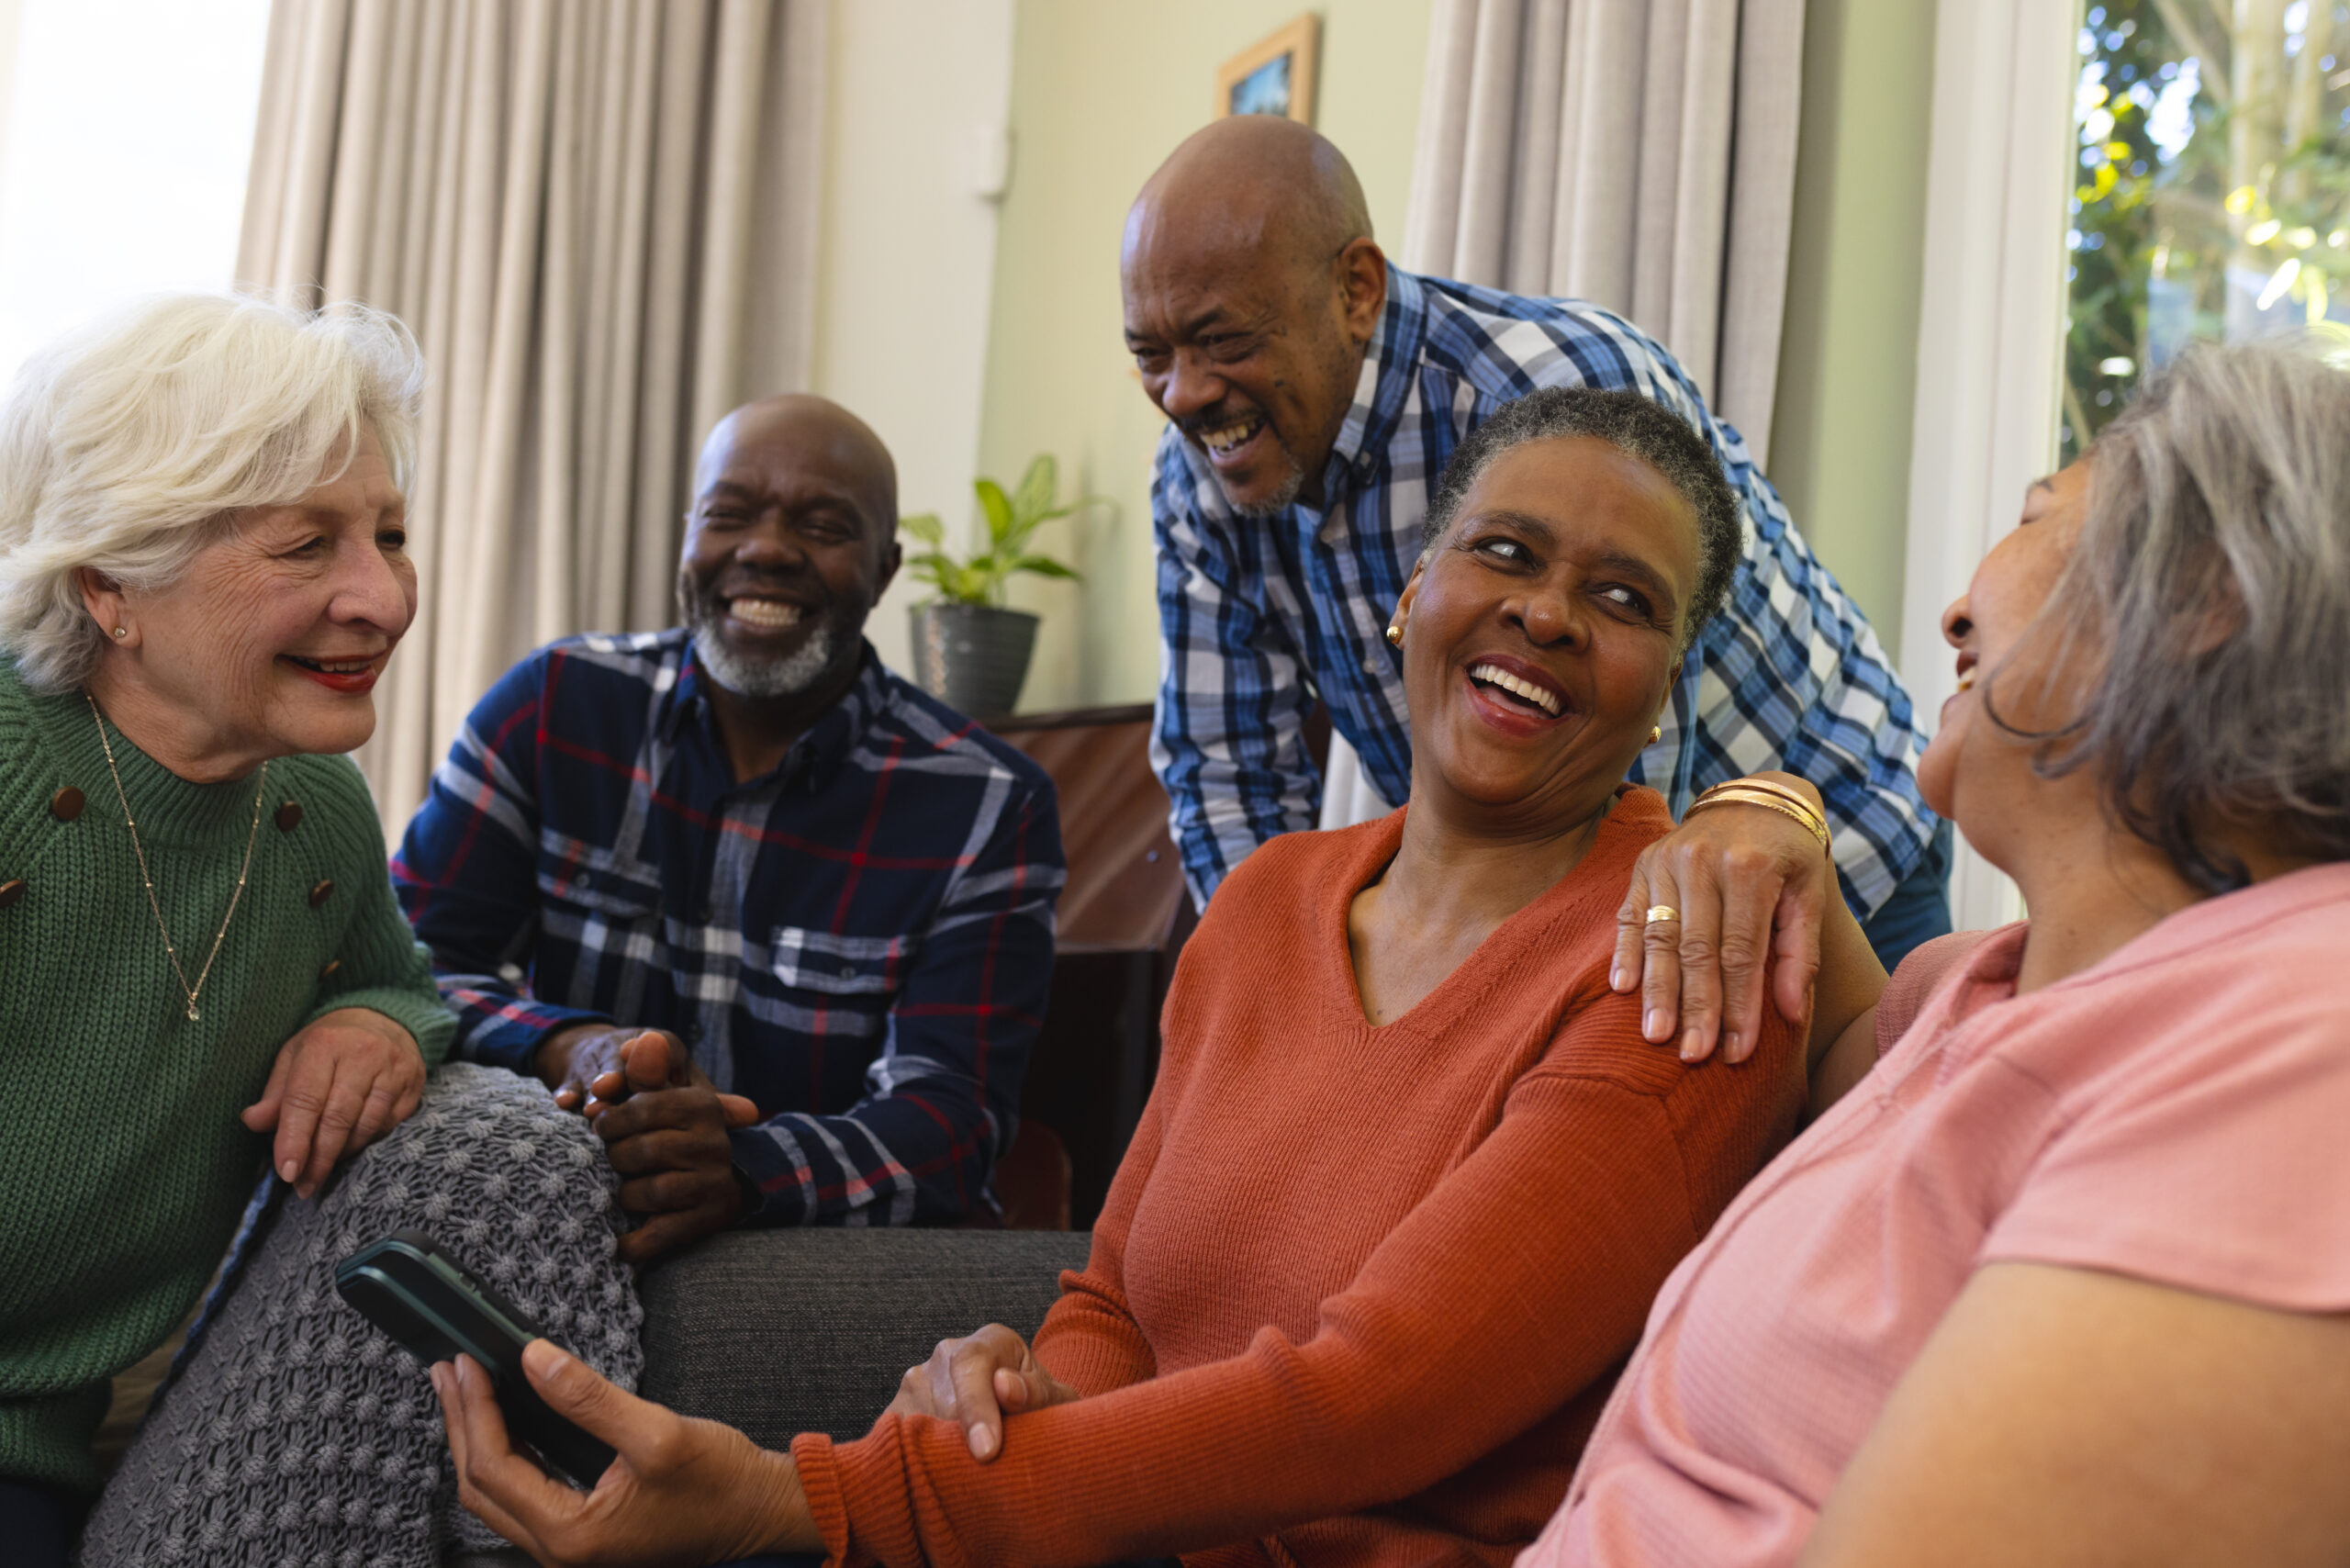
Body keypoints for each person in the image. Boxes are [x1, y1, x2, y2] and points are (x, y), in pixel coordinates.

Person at [431, 386, 1812, 1568]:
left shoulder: (1688, 959)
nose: (1549, 613)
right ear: (1410, 598)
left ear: (1670, 682)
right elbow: (1114, 1307)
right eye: (1504, 552)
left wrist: (799, 1499)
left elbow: (1369, 1405)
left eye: (1622, 598)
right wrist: (1028, 1392)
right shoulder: (1270, 902)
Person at [1519, 340, 2350, 1564]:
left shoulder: (2295, 1042)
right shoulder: (1998, 983)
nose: (1959, 608)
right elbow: (1855, 1048)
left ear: (2201, 596)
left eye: (2037, 522)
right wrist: (1774, 804)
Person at [1133, 115, 1949, 996]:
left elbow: (1628, 788)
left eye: (1225, 344)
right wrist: (1279, 1004)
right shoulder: (1201, 473)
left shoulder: (1559, 386)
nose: (1185, 394)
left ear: (1356, 289)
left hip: (1845, 856)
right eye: (1151, 354)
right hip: (1582, 895)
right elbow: (1227, 769)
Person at [394, 395, 1064, 1259]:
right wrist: (567, 1043)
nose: (766, 549)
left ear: (885, 570)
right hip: (552, 1215)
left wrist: (747, 1166)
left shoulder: (988, 803)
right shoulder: (554, 706)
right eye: (729, 515)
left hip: (811, 1258)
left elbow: (949, 1118)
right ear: (687, 538)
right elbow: (405, 969)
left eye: (823, 525)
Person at [0, 294, 454, 1562]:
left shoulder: (312, 807)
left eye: (390, 534)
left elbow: (407, 983)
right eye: (306, 547)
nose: (382, 598)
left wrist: (379, 1021)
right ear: (110, 586)